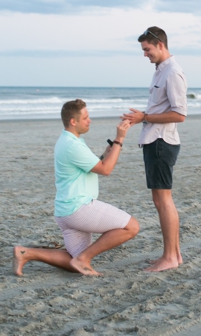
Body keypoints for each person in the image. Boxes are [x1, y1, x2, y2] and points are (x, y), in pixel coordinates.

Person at [13, 99, 139, 276]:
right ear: (73, 121)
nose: (90, 120)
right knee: (131, 227)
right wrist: (119, 140)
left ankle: (26, 253)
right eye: (86, 117)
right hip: (79, 208)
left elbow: (94, 165)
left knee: (74, 262)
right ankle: (83, 259)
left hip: (66, 211)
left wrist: (106, 153)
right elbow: (106, 169)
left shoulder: (69, 140)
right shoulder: (72, 145)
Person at [121, 26, 188, 272]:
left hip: (162, 142)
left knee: (164, 200)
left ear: (160, 44)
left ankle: (170, 257)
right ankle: (174, 255)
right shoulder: (161, 71)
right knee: (160, 201)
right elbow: (162, 108)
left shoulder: (173, 72)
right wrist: (143, 116)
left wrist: (144, 117)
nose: (145, 54)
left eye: (147, 49)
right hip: (154, 140)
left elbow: (180, 114)